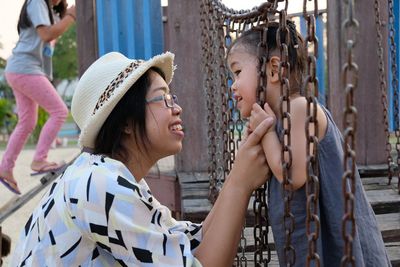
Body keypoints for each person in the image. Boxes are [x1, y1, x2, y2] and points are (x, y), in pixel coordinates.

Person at [10, 51, 273, 266]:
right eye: (163, 99)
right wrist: (240, 183)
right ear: (125, 120)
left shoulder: (108, 175)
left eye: (172, 98)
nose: (177, 108)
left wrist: (239, 171)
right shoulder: (101, 184)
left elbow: (191, 240)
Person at [226, 21, 391, 266]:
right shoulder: (281, 119)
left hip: (336, 249)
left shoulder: (300, 108)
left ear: (273, 70)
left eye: (237, 73)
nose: (233, 86)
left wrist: (268, 133)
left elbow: (292, 174)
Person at [0, 0, 76, 194]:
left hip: (22, 69)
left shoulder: (52, 11)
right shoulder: (36, 2)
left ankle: (5, 169)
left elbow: (54, 32)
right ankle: (39, 160)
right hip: (25, 68)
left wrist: (66, 15)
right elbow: (46, 34)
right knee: (59, 111)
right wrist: (72, 16)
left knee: (27, 122)